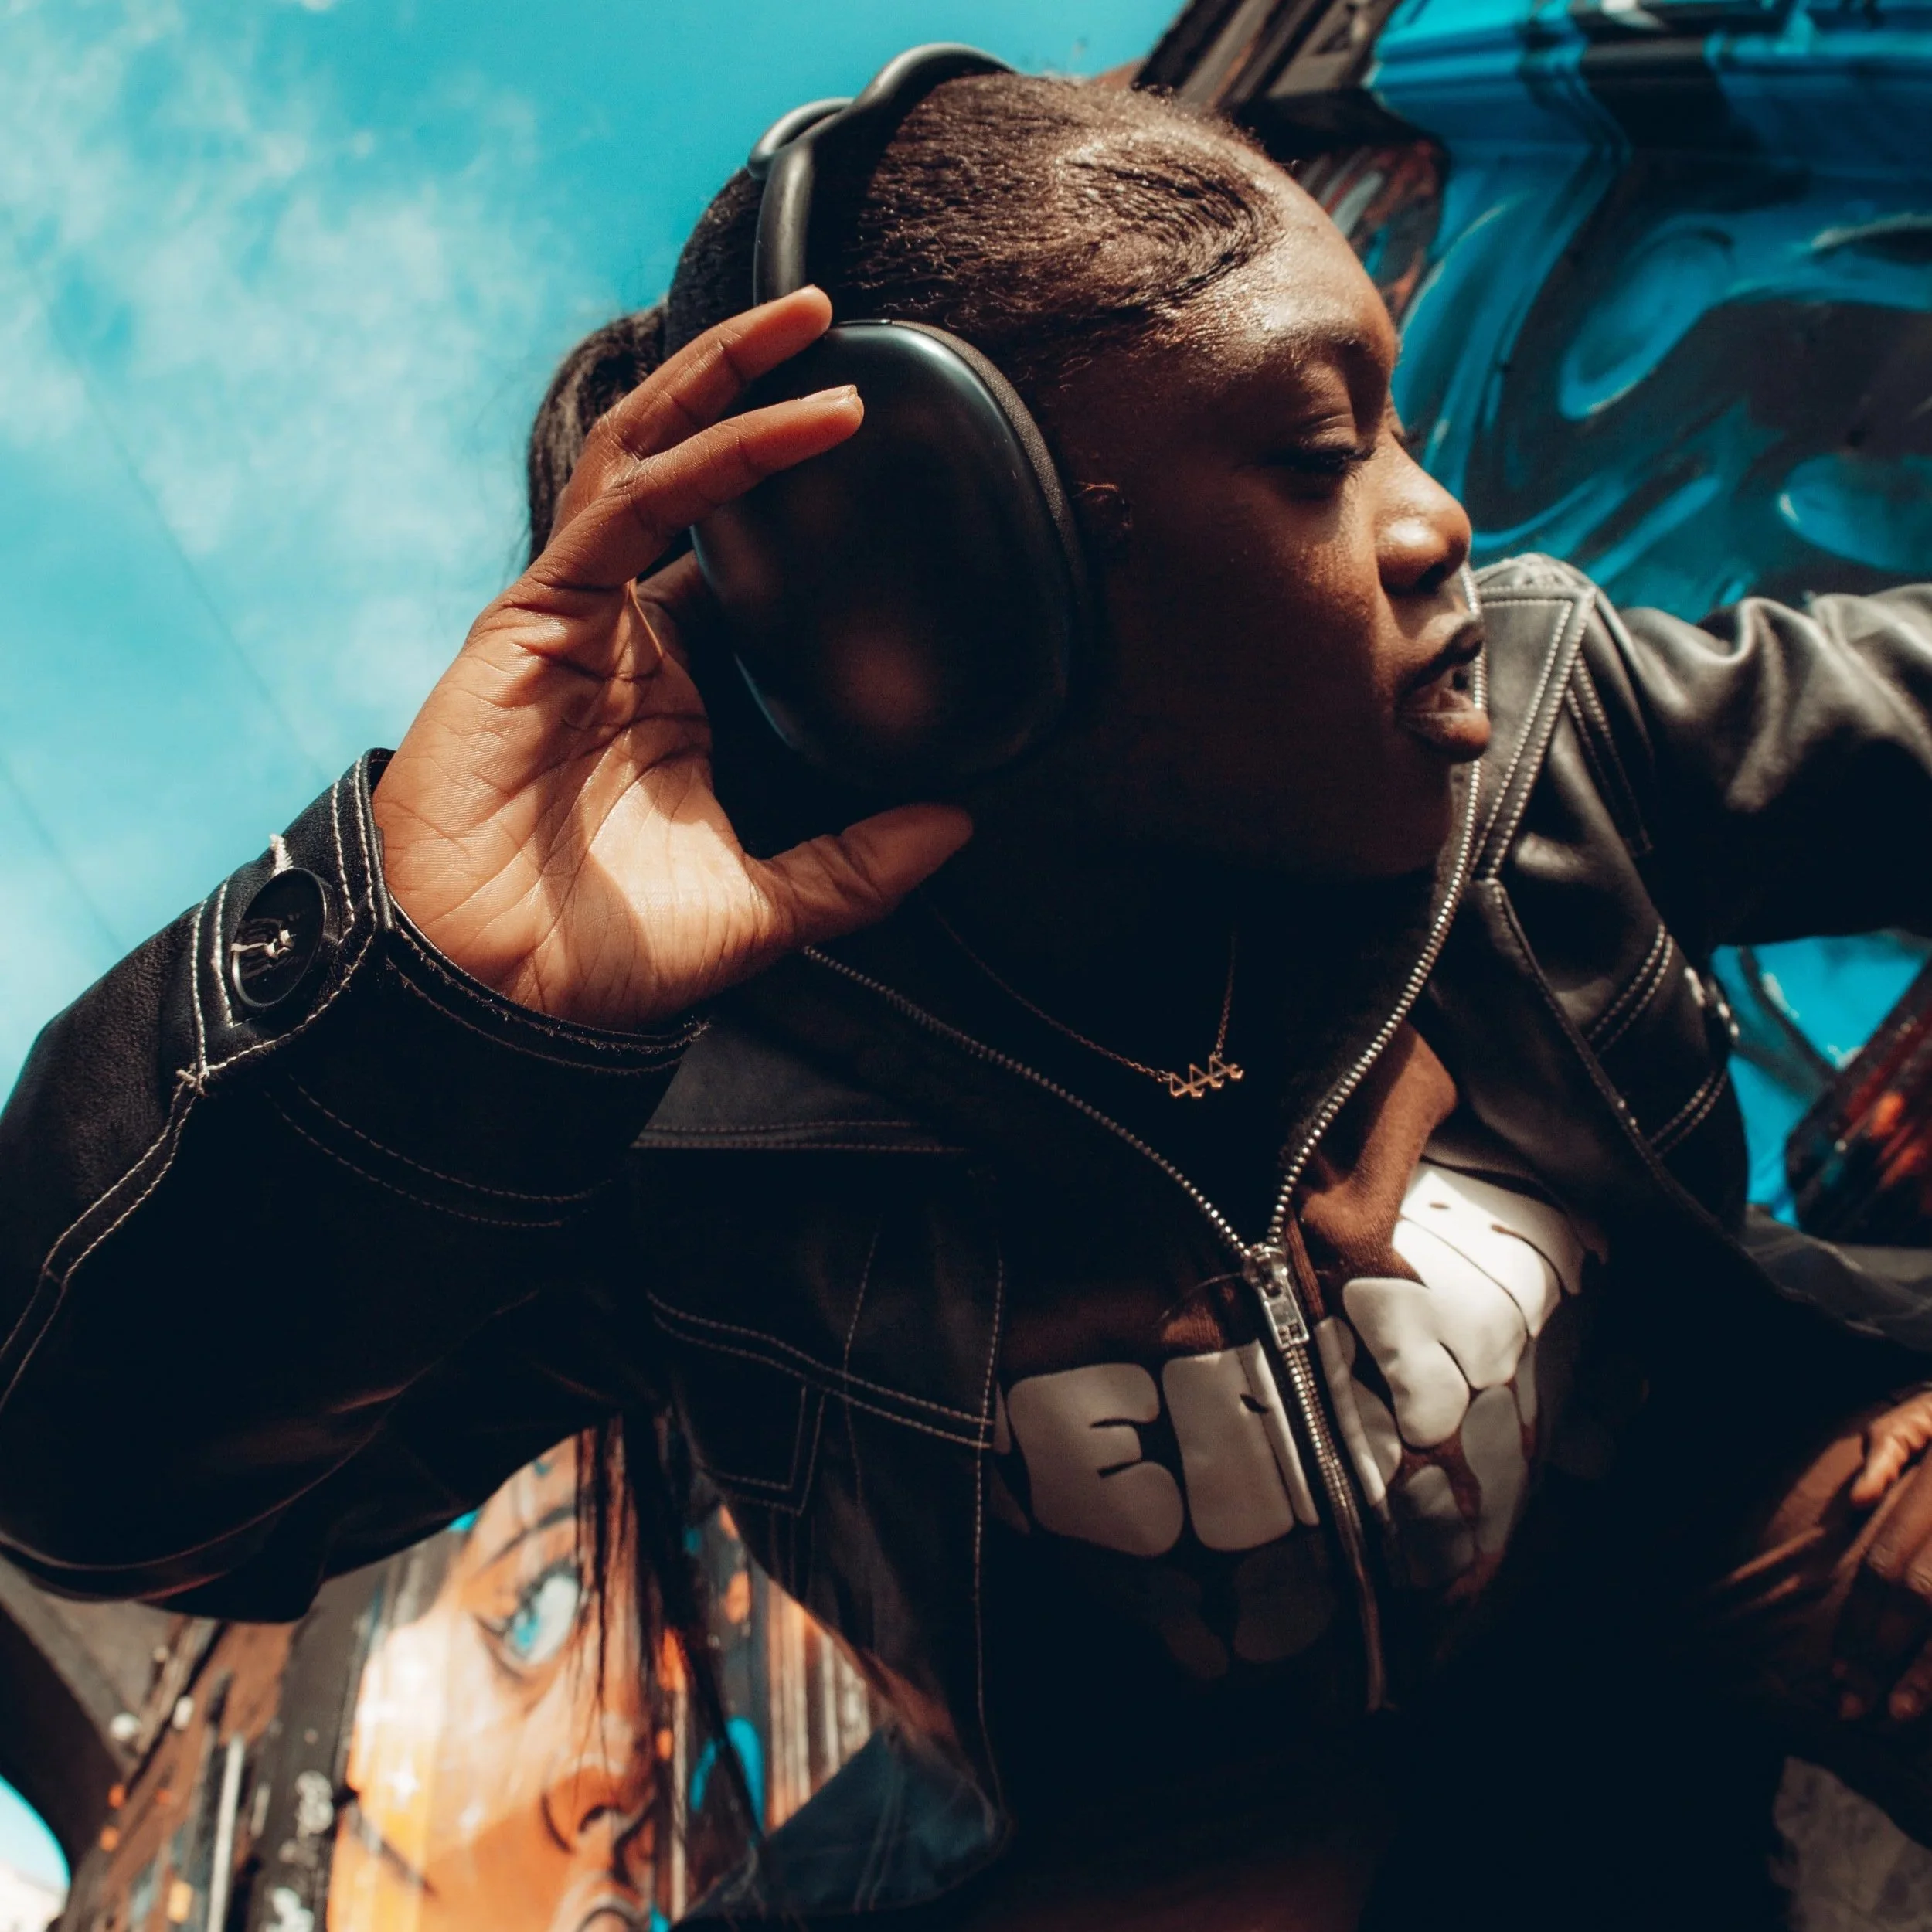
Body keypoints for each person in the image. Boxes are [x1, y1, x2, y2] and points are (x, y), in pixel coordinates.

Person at [6, 56, 1932, 1930]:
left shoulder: (1540, 736)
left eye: (1402, 432)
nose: (1434, 524)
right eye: (1317, 451)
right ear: (939, 606)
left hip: (1711, 1526)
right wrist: (432, 1006)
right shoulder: (686, 1136)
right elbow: (96, 1495)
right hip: (1196, 1820)